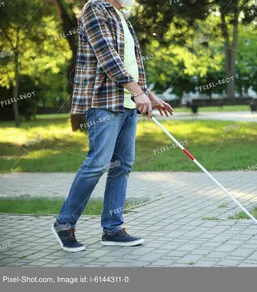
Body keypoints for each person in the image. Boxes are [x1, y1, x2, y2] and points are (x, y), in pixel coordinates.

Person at [52, 0, 173, 252]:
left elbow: (130, 63)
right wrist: (138, 93)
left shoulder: (122, 17)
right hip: (103, 101)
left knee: (122, 166)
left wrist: (147, 94)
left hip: (129, 103)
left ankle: (112, 229)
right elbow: (108, 57)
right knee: (97, 163)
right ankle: (65, 223)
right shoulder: (94, 8)